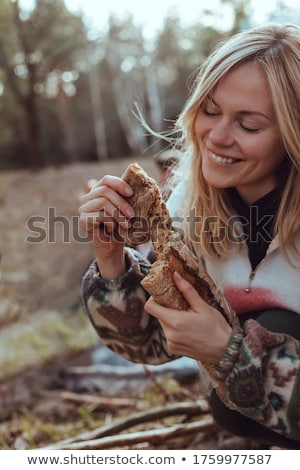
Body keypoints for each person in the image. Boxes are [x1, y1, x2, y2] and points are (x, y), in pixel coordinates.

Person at [79, 23, 300, 448]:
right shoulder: (186, 208)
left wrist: (228, 354)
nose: (216, 137)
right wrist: (112, 258)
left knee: (273, 324)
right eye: (210, 110)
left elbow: (227, 350)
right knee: (231, 397)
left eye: (249, 125)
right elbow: (153, 344)